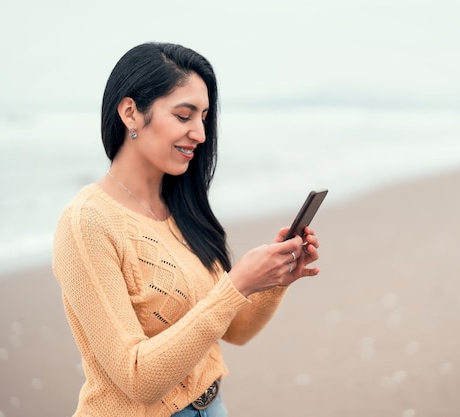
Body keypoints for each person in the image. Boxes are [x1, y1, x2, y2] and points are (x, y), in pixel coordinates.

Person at [52, 42, 320, 417]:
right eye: (183, 116)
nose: (200, 134)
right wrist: (236, 284)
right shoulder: (88, 223)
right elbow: (137, 378)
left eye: (204, 117)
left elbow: (235, 330)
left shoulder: (182, 210)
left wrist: (273, 282)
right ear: (130, 112)